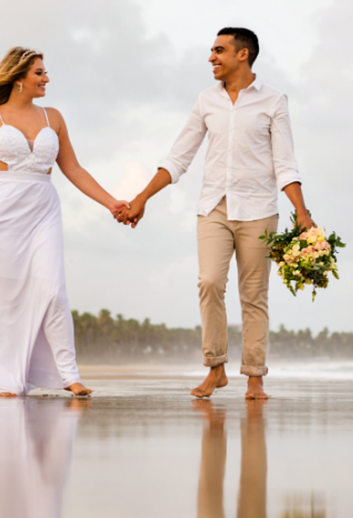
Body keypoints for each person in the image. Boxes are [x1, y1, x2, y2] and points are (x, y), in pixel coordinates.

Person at [119, 28, 316, 400]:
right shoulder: (205, 100)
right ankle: (216, 368)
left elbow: (285, 163)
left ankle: (255, 377)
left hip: (259, 210)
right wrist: (142, 197)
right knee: (209, 281)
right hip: (213, 207)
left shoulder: (273, 101)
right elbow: (179, 156)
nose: (211, 57)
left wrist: (302, 213)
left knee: (254, 294)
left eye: (219, 50)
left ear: (243, 55)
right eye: (211, 50)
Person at [0, 47, 128, 397]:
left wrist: (112, 202)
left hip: (43, 208)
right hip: (1, 210)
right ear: (19, 77)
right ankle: (5, 377)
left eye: (45, 72)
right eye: (39, 73)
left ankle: (69, 375)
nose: (46, 78)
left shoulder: (54, 117)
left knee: (52, 290)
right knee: (5, 296)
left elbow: (73, 169)